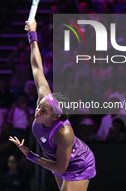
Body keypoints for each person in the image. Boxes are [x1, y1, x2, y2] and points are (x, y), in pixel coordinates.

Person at [9, 19, 96, 191]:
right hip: (57, 159)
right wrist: (32, 34)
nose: (38, 111)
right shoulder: (45, 97)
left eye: (44, 111)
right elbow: (36, 67)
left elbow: (60, 169)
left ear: (56, 116)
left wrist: (30, 155)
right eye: (39, 106)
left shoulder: (64, 132)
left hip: (78, 165)